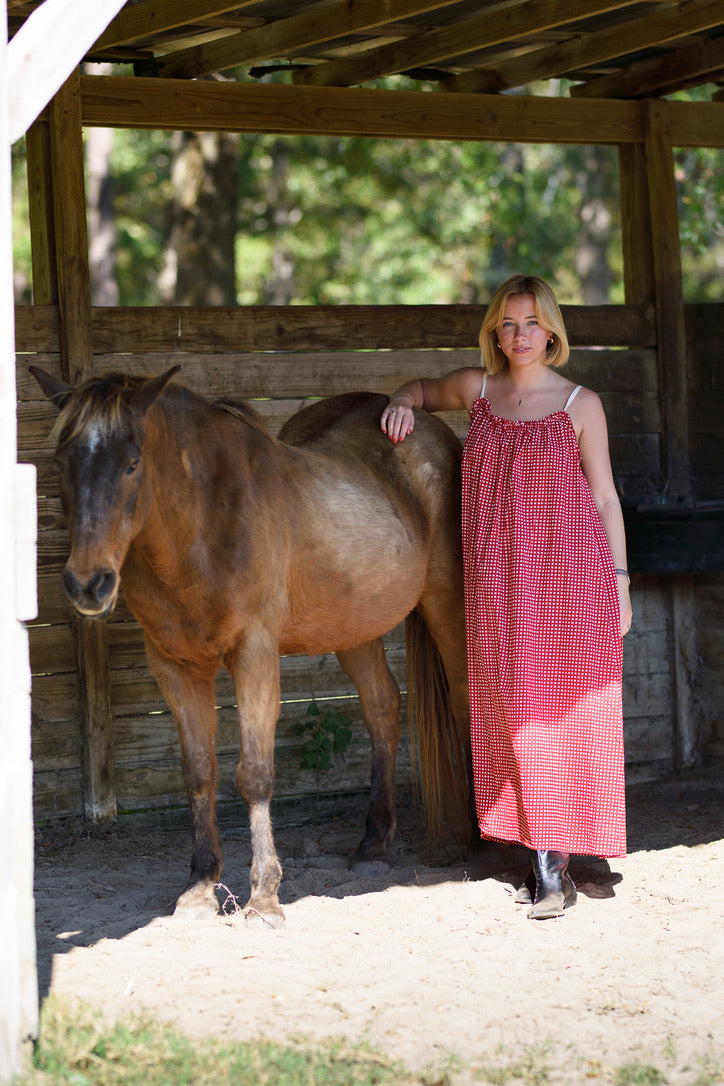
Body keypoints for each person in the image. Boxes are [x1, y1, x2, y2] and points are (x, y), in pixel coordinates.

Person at [381, 274, 632, 920]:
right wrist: (404, 403)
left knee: (567, 710)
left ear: (552, 330)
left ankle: (557, 870)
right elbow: (422, 390)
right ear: (496, 331)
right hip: (498, 582)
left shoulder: (581, 404)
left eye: (531, 323)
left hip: (570, 578)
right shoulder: (480, 392)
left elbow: (604, 498)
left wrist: (620, 581)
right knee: (517, 709)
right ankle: (556, 850)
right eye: (508, 324)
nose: (519, 335)